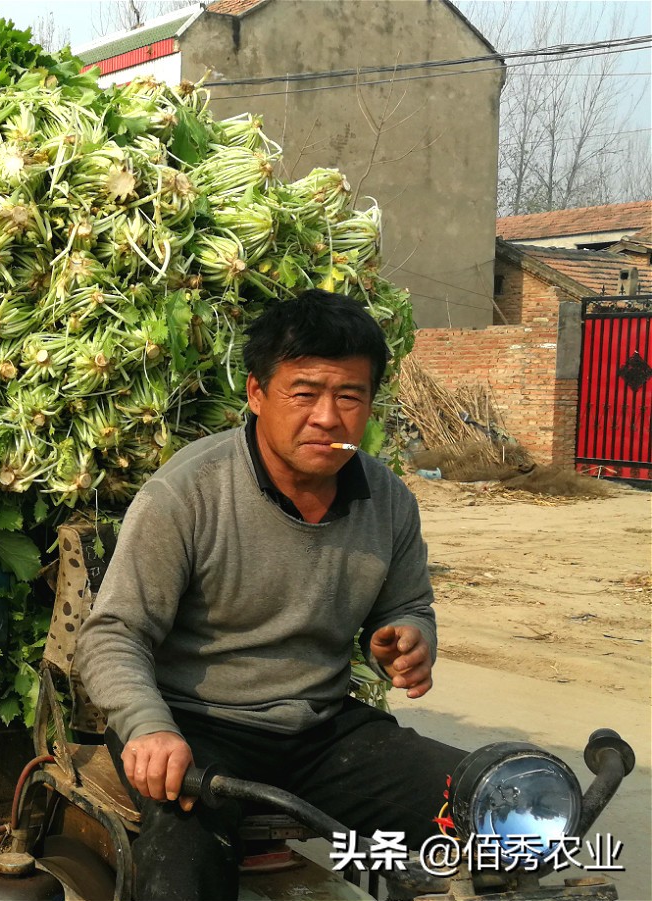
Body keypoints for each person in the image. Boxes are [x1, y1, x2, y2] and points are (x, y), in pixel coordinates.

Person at [74, 289, 466, 900]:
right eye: (304, 393)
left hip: (322, 729)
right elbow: (113, 634)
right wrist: (148, 727)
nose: (328, 417)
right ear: (257, 394)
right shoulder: (187, 494)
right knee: (183, 872)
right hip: (193, 727)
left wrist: (412, 638)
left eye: (349, 396)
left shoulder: (387, 500)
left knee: (494, 802)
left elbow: (407, 605)